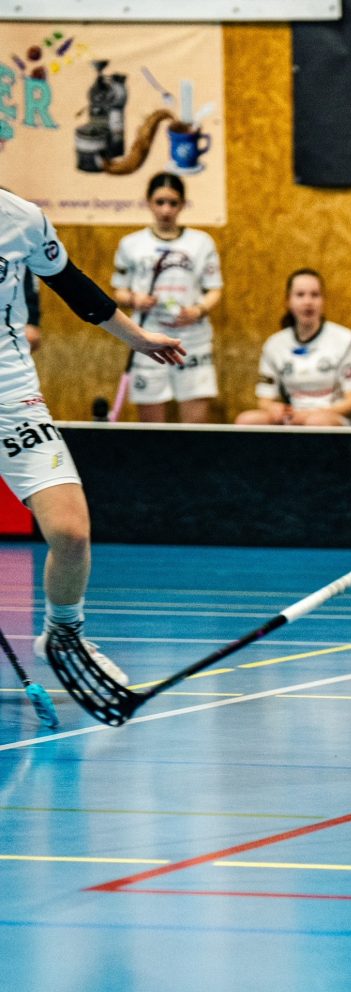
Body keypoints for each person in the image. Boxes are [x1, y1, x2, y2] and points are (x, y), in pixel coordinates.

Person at [0, 189, 185, 682]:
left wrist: (139, 340)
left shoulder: (21, 219)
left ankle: (63, 635)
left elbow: (75, 288)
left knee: (71, 531)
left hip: (11, 395)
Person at [110, 172, 223, 423]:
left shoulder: (201, 243)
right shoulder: (131, 244)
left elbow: (214, 289)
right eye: (160, 202)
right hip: (147, 338)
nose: (166, 210)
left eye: (173, 203)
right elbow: (119, 291)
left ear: (182, 204)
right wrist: (134, 299)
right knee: (151, 429)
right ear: (149, 202)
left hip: (192, 339)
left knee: (196, 426)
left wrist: (198, 310)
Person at [235, 269, 351, 426]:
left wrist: (311, 414)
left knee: (316, 423)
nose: (308, 302)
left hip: (330, 416)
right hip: (292, 415)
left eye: (315, 295)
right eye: (300, 295)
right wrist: (274, 408)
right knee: (247, 420)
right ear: (288, 301)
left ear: (323, 301)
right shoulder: (274, 344)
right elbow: (264, 400)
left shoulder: (345, 340)